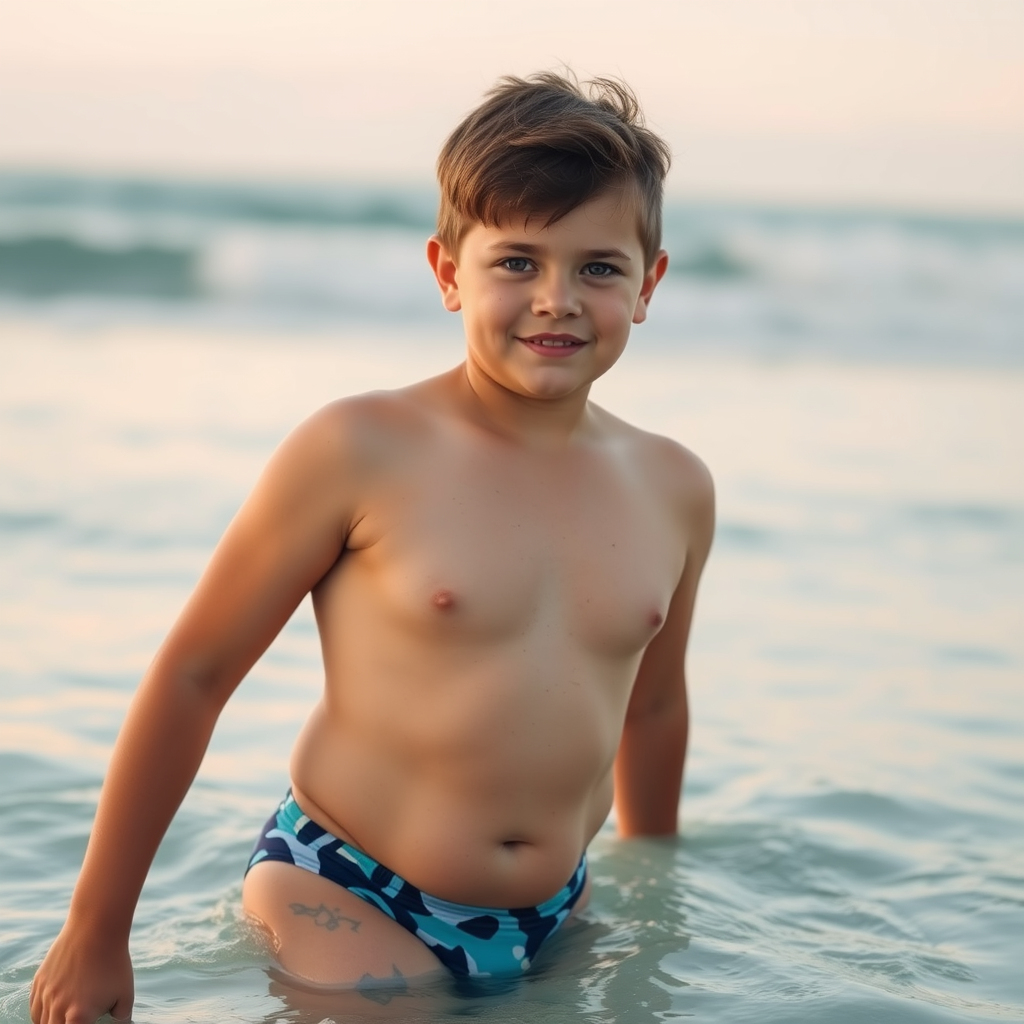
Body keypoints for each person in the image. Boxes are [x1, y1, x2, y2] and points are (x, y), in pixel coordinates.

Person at [30, 70, 714, 1023]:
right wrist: (95, 932)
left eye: (597, 267)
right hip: (348, 891)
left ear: (648, 284)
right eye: (516, 262)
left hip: (561, 907)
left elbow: (654, 705)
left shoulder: (674, 486)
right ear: (447, 272)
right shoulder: (360, 449)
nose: (556, 299)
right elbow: (194, 674)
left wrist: (659, 889)